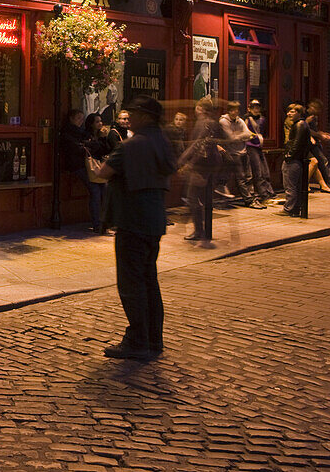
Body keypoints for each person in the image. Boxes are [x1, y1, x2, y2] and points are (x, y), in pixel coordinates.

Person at [96, 96, 176, 361]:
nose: (129, 118)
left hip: (132, 220)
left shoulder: (131, 145)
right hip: (154, 220)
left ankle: (137, 340)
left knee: (131, 285)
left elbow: (102, 173)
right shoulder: (162, 141)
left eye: (133, 114)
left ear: (146, 117)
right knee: (149, 281)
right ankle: (154, 339)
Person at [180, 97, 224, 241]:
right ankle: (203, 231)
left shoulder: (203, 123)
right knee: (203, 198)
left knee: (192, 196)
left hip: (202, 165)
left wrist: (186, 161)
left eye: (197, 107)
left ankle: (200, 231)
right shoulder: (213, 122)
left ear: (201, 109)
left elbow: (198, 145)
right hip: (212, 163)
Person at [219, 101, 265, 209]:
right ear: (229, 110)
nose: (236, 112)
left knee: (249, 176)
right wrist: (242, 136)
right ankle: (249, 200)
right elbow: (231, 138)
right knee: (241, 178)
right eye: (233, 110)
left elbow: (248, 133)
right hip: (232, 153)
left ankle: (252, 198)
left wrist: (239, 136)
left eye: (237, 110)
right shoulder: (223, 122)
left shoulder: (239, 120)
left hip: (243, 151)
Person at [280, 103, 311, 217]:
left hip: (293, 160)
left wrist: (289, 155)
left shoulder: (299, 125)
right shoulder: (301, 124)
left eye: (292, 112)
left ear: (299, 113)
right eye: (288, 111)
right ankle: (295, 208)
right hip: (297, 159)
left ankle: (289, 208)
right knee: (294, 186)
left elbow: (296, 143)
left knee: (290, 185)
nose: (289, 114)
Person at [83, 113, 112, 233]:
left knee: (105, 193)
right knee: (95, 194)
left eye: (101, 121)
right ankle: (96, 224)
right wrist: (100, 139)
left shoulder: (101, 135)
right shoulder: (87, 135)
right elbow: (95, 149)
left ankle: (104, 223)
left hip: (100, 167)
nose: (100, 124)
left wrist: (104, 138)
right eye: (97, 122)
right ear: (91, 124)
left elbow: (106, 149)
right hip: (90, 167)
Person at [305, 99, 330, 192]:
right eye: (318, 109)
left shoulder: (313, 118)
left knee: (317, 163)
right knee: (321, 160)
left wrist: (321, 134)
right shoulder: (306, 116)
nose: (319, 112)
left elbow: (312, 131)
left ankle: (325, 184)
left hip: (313, 142)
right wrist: (319, 135)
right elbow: (305, 129)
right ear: (312, 107)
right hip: (308, 143)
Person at [244, 100, 274, 201]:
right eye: (254, 108)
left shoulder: (262, 119)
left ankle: (269, 191)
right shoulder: (247, 119)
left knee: (265, 170)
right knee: (258, 171)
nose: (256, 110)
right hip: (250, 145)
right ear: (249, 109)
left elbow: (263, 131)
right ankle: (263, 193)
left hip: (259, 146)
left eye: (258, 108)